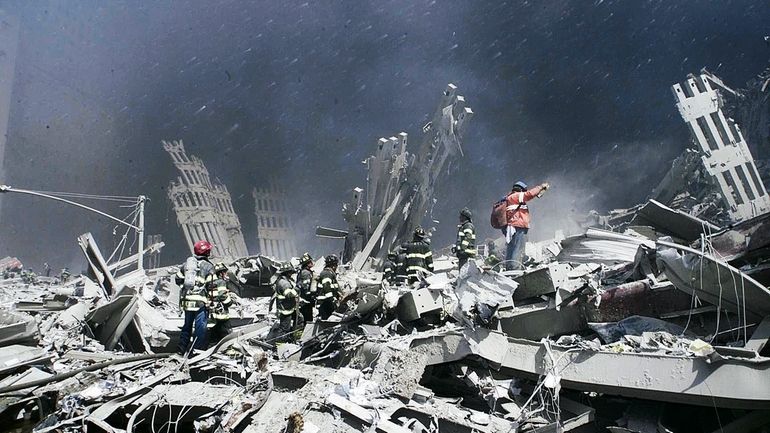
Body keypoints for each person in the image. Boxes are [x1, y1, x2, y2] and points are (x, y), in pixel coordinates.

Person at [175, 240, 215, 355]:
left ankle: (180, 350)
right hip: (200, 303)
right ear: (207, 252)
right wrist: (211, 302)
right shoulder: (209, 267)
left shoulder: (186, 264)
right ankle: (196, 352)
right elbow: (212, 286)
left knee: (186, 326)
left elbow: (177, 279)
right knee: (200, 328)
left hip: (188, 302)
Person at [504, 181, 549, 270]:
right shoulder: (515, 196)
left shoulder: (512, 198)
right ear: (520, 189)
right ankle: (514, 269)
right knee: (518, 247)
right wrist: (540, 187)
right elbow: (529, 194)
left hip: (515, 226)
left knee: (513, 247)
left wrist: (540, 192)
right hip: (518, 226)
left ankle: (510, 267)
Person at [272, 262, 300, 342]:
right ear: (287, 272)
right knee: (284, 329)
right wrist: (297, 289)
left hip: (290, 308)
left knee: (300, 319)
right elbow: (289, 295)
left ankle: (296, 338)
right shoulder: (283, 283)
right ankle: (280, 346)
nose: (291, 274)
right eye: (291, 272)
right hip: (285, 310)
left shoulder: (285, 280)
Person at [207, 262, 233, 346]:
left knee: (213, 334)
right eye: (225, 272)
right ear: (221, 273)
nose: (226, 274)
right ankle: (227, 350)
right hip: (221, 314)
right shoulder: (221, 282)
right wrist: (229, 302)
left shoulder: (211, 283)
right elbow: (222, 295)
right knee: (225, 334)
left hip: (212, 313)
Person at [315, 254, 340, 320]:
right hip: (325, 303)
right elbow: (327, 287)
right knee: (326, 321)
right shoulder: (327, 274)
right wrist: (332, 300)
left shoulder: (329, 273)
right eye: (336, 265)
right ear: (333, 265)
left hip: (327, 302)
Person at [296, 252, 316, 322]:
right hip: (305, 301)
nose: (312, 262)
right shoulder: (306, 273)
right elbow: (305, 288)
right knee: (307, 319)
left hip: (304, 300)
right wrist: (312, 296)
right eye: (310, 261)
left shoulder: (305, 272)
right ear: (307, 263)